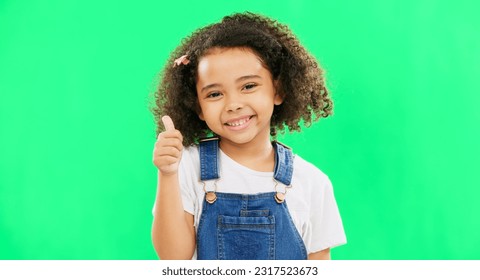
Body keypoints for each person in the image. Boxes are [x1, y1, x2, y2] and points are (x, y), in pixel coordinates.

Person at [151, 12, 346, 260]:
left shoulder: (312, 182)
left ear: (279, 90)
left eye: (248, 86)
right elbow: (173, 259)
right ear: (198, 107)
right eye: (214, 94)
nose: (233, 104)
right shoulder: (188, 166)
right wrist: (167, 174)